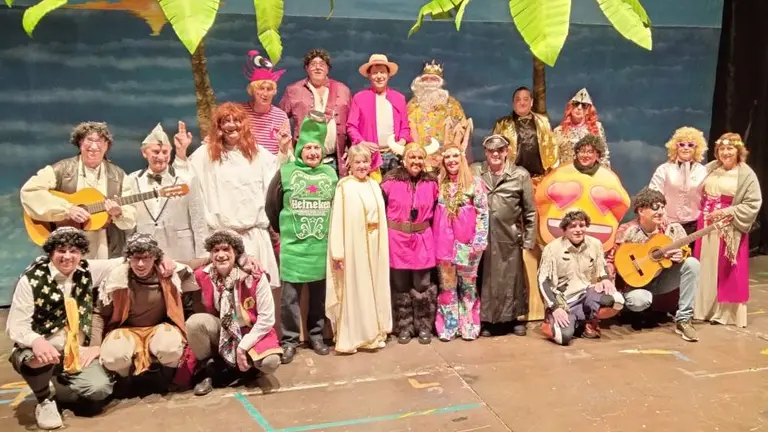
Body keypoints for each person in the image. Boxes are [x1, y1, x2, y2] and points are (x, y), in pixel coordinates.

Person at [6, 228, 124, 429]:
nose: (68, 256)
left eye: (74, 250)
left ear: (81, 253)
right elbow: (16, 325)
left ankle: (57, 385)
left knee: (99, 390)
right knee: (37, 358)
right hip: (41, 347)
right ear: (51, 252)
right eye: (61, 250)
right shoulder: (31, 279)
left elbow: (125, 260)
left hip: (75, 350)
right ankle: (44, 399)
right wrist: (37, 341)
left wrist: (162, 258)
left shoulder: (87, 270)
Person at [174, 103, 280, 289]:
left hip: (254, 237)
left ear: (244, 125)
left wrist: (285, 151)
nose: (231, 125)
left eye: (236, 120)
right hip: (222, 240)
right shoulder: (206, 155)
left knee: (257, 297)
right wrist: (181, 153)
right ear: (218, 127)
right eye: (226, 121)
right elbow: (184, 183)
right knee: (222, 296)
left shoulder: (258, 153)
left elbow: (279, 174)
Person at [266, 113, 339, 363]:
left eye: (316, 148)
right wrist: (287, 231)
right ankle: (289, 341)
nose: (312, 152)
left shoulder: (330, 175)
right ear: (299, 150)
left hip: (320, 247)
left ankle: (316, 335)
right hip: (294, 247)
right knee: (290, 300)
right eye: (307, 147)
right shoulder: (286, 172)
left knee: (318, 297)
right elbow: (271, 206)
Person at [93, 233, 198, 387]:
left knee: (169, 349)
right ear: (128, 258)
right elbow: (99, 315)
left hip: (159, 328)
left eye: (146, 257)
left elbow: (196, 263)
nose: (140, 264)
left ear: (155, 257)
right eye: (136, 258)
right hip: (125, 329)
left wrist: (243, 257)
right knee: (113, 358)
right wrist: (94, 346)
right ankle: (126, 382)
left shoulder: (169, 272)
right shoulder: (115, 279)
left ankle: (166, 379)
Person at [185, 230, 283, 396]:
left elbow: (267, 319)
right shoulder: (204, 274)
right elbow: (178, 275)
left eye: (226, 250)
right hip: (223, 330)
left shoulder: (254, 275)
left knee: (270, 362)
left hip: (250, 331)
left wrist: (243, 346)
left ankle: (247, 370)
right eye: (216, 251)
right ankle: (207, 371)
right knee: (195, 322)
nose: (221, 255)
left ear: (236, 252)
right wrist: (161, 261)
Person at [20, 121, 137, 258]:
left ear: (106, 146)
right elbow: (30, 191)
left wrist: (119, 214)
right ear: (80, 142)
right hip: (67, 244)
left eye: (100, 141)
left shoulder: (119, 176)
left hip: (105, 244)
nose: (94, 146)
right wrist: (66, 209)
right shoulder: (62, 169)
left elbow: (131, 215)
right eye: (89, 140)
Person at [605, 188, 701, 341]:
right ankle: (634, 312)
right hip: (635, 285)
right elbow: (612, 260)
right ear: (641, 210)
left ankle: (684, 320)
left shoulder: (670, 229)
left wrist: (681, 255)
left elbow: (684, 250)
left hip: (661, 280)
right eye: (655, 207)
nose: (661, 211)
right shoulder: (627, 231)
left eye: (663, 206)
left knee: (692, 264)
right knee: (639, 301)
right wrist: (610, 287)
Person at [326, 145, 391, 353]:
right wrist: (338, 252)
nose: (362, 166)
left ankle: (375, 332)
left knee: (374, 288)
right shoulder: (344, 186)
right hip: (354, 247)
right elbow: (337, 220)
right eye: (357, 162)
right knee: (357, 289)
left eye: (365, 161)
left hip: (374, 245)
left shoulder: (374, 185)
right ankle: (355, 336)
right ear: (350, 165)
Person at [694, 133, 762, 327]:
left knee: (726, 268)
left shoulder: (746, 174)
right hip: (706, 226)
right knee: (705, 265)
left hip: (729, 228)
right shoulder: (710, 169)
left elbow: (753, 202)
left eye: (730, 148)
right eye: (722, 149)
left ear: (738, 151)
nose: (725, 152)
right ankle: (703, 309)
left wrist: (727, 212)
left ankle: (724, 314)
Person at [470, 135, 536, 337]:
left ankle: (514, 319)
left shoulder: (520, 175)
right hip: (483, 237)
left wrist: (528, 239)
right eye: (491, 151)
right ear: (486, 153)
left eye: (500, 150)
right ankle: (488, 320)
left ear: (507, 151)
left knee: (512, 280)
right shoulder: (476, 172)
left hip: (509, 237)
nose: (495, 154)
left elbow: (530, 211)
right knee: (486, 278)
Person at [433, 119, 489, 341]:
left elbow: (483, 212)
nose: (451, 160)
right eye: (447, 157)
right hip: (444, 246)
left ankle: (469, 325)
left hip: (468, 245)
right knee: (447, 287)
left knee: (467, 286)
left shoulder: (474, 183)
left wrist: (479, 239)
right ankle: (449, 325)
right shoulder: (439, 183)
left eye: (455, 156)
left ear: (462, 158)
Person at [381, 138, 440, 344]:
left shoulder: (432, 183)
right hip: (397, 241)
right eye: (412, 157)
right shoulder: (389, 181)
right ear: (404, 160)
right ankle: (403, 327)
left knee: (423, 285)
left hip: (423, 240)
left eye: (420, 157)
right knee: (400, 286)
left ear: (425, 160)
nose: (416, 161)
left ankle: (424, 326)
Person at [538, 210, 625, 345]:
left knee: (617, 300)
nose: (578, 230)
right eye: (573, 226)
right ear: (564, 229)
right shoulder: (551, 249)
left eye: (582, 225)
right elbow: (543, 281)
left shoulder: (595, 244)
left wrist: (605, 279)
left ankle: (587, 321)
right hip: (564, 301)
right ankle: (556, 321)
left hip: (586, 293)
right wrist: (555, 307)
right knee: (563, 337)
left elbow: (601, 268)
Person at [535, 134, 630, 252]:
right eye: (582, 151)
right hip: (559, 235)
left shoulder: (608, 177)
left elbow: (622, 203)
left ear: (597, 155)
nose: (585, 155)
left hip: (596, 236)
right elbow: (541, 196)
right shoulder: (561, 172)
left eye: (590, 152)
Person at [129, 123, 208, 262]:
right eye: (155, 152)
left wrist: (202, 256)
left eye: (165, 152)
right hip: (145, 254)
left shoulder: (186, 179)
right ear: (144, 153)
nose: (161, 156)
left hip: (181, 252)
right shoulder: (132, 180)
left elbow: (198, 219)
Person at [279, 48, 352, 174]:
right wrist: (288, 147)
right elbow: (280, 119)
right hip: (304, 162)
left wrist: (352, 148)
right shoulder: (293, 90)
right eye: (313, 64)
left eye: (322, 64)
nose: (318, 68)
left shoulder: (343, 90)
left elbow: (353, 122)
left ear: (328, 68)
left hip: (336, 161)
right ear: (306, 68)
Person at [347, 54, 412, 182]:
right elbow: (351, 126)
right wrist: (361, 143)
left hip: (394, 156)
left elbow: (405, 126)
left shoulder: (399, 98)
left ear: (388, 75)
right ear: (369, 75)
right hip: (369, 158)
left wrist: (401, 143)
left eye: (382, 72)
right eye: (375, 73)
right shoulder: (360, 98)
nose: (379, 76)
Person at [406, 60, 467, 170]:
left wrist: (450, 153)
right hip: (420, 160)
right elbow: (408, 127)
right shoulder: (412, 105)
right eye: (426, 79)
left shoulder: (452, 104)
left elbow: (461, 128)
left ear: (439, 82)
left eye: (433, 79)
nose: (429, 82)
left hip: (447, 160)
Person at [648, 127, 709, 235]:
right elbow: (653, 194)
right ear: (675, 147)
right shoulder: (664, 169)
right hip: (667, 224)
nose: (685, 148)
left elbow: (707, 197)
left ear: (697, 148)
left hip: (695, 225)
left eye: (690, 145)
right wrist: (660, 214)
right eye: (681, 144)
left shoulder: (703, 171)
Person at [491, 86, 557, 186]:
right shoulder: (502, 124)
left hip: (540, 179)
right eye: (518, 99)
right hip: (511, 179)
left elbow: (552, 148)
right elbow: (494, 151)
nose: (522, 103)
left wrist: (553, 173)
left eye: (526, 99)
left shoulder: (543, 122)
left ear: (531, 102)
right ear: (513, 103)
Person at [240, 49, 293, 161]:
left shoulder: (281, 116)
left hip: (272, 168)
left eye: (269, 89)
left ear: (274, 91)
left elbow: (289, 150)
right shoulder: (240, 113)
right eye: (261, 89)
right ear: (253, 90)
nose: (265, 93)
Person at [554, 88, 610, 167]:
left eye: (584, 105)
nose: (579, 108)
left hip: (591, 175)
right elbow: (554, 160)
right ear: (571, 107)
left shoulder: (596, 128)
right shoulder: (559, 131)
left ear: (588, 110)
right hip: (567, 175)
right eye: (576, 104)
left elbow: (604, 156)